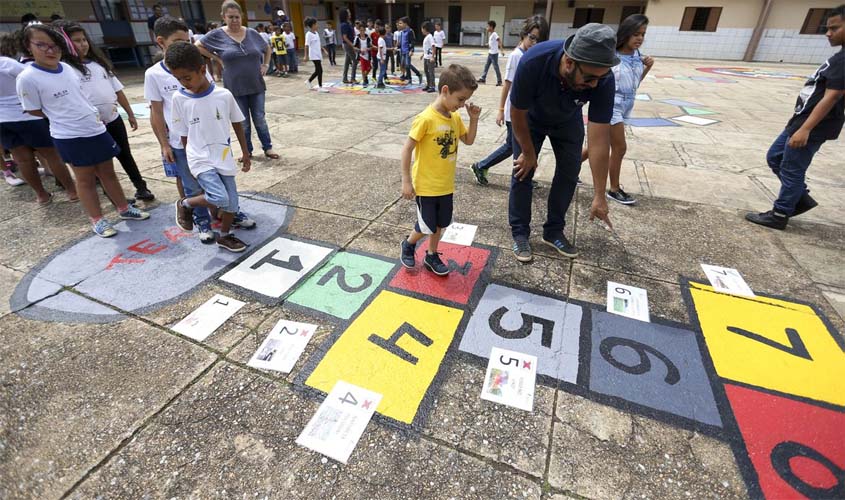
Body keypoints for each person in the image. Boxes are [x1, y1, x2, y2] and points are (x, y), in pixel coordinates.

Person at [17, 24, 149, 237]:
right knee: (85, 179)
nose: (50, 50)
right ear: (28, 46)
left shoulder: (67, 68)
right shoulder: (27, 77)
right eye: (41, 45)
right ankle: (97, 220)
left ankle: (124, 209)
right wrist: (65, 118)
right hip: (69, 135)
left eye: (54, 46)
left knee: (109, 173)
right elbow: (33, 109)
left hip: (96, 128)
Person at [508, 23, 617, 262]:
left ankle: (553, 231)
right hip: (531, 120)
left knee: (569, 173)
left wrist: (600, 194)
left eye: (600, 78)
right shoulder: (534, 62)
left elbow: (599, 140)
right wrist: (528, 152)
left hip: (568, 120)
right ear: (569, 63)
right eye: (589, 79)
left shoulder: (602, 78)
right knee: (522, 171)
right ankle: (520, 233)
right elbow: (516, 113)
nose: (594, 86)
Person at [746, 5, 844, 230]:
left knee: (792, 168)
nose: (828, 33)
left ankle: (780, 213)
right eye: (827, 28)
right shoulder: (840, 57)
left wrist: (806, 129)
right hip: (800, 121)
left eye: (835, 28)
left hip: (812, 125)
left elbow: (833, 96)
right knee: (775, 157)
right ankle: (799, 197)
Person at [167, 42, 252, 252]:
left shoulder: (223, 95)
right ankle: (186, 203)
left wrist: (245, 151)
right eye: (178, 79)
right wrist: (189, 163)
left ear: (202, 70)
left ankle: (224, 236)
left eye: (187, 77)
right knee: (220, 197)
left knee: (232, 203)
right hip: (199, 157)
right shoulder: (179, 98)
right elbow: (184, 136)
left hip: (222, 154)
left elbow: (238, 123)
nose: (183, 83)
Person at [58, 20, 156, 202]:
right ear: (67, 44)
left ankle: (141, 187)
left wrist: (130, 113)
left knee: (125, 154)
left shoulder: (99, 65)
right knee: (103, 164)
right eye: (77, 41)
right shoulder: (66, 70)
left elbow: (117, 90)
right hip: (92, 126)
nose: (83, 44)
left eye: (84, 40)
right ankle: (113, 195)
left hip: (113, 119)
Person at [399, 64, 480, 275]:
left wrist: (473, 119)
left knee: (440, 224)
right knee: (426, 225)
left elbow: (468, 140)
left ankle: (431, 254)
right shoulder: (426, 119)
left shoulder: (454, 118)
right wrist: (406, 180)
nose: (462, 104)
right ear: (445, 91)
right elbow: (407, 149)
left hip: (446, 185)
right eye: (460, 99)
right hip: (425, 185)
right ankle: (408, 244)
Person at [145, 16, 216, 242]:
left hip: (208, 138)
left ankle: (226, 213)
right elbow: (156, 112)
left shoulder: (200, 66)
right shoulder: (154, 74)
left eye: (187, 40)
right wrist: (164, 144)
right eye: (177, 41)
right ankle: (202, 221)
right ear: (161, 42)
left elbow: (213, 99)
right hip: (180, 142)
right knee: (190, 183)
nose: (184, 45)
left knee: (217, 179)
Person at [579, 14, 654, 206]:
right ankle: (613, 188)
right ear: (626, 33)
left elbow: (634, 84)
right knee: (619, 147)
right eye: (636, 34)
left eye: (643, 34)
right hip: (612, 104)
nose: (639, 38)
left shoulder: (638, 56)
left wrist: (647, 68)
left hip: (627, 104)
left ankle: (567, 169)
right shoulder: (612, 57)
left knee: (597, 147)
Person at [471, 16, 549, 186]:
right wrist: (500, 110)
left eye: (539, 40)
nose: (534, 42)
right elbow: (507, 84)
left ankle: (482, 166)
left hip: (526, 111)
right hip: (514, 112)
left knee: (513, 146)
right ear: (524, 35)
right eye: (532, 37)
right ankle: (519, 178)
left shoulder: (531, 54)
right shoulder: (517, 56)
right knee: (518, 148)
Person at [196, 1, 279, 160]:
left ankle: (268, 147)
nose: (234, 20)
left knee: (259, 119)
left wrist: (266, 64)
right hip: (234, 87)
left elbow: (267, 48)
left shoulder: (252, 33)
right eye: (230, 17)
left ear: (242, 16)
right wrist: (216, 58)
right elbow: (197, 45)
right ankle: (246, 151)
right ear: (223, 17)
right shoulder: (217, 35)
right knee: (243, 123)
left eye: (237, 17)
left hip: (256, 84)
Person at [0, 32, 77, 203]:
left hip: (3, 120)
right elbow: (33, 76)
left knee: (22, 159)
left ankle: (41, 195)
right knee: (52, 155)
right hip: (27, 115)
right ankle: (71, 190)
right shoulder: (8, 64)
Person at [304, 17, 328, 90]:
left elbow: (318, 43)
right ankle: (320, 87)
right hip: (313, 55)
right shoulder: (308, 34)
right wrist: (306, 56)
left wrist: (324, 50)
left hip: (318, 54)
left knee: (318, 71)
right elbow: (306, 45)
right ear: (313, 25)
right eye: (316, 24)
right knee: (320, 70)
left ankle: (308, 81)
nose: (317, 25)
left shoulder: (316, 33)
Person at [477, 20, 502, 85]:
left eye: (488, 26)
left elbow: (499, 41)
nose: (487, 28)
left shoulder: (494, 34)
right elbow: (493, 42)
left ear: (491, 27)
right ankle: (483, 78)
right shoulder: (491, 35)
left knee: (496, 67)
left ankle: (499, 81)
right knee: (486, 66)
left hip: (494, 54)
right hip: (490, 53)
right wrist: (488, 44)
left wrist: (502, 50)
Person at [398, 17, 421, 85]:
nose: (399, 25)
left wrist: (412, 50)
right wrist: (397, 47)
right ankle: (407, 76)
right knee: (403, 65)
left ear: (405, 24)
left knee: (407, 65)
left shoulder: (410, 31)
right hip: (402, 52)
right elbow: (401, 42)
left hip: (408, 51)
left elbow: (412, 41)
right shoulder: (402, 32)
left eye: (401, 23)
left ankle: (413, 77)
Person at [340, 8, 358, 83]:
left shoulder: (348, 23)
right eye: (348, 12)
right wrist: (352, 45)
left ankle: (344, 78)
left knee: (347, 62)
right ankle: (352, 78)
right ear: (345, 15)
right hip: (347, 45)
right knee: (355, 60)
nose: (350, 14)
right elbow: (344, 37)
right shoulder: (344, 25)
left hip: (349, 44)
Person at [421, 21, 436, 93]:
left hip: (430, 58)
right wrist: (423, 54)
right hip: (426, 57)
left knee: (431, 72)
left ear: (424, 29)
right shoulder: (427, 37)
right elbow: (427, 47)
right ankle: (428, 85)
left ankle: (432, 86)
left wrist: (433, 57)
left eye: (422, 28)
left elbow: (433, 46)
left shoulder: (430, 37)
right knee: (426, 72)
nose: (421, 30)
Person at [376, 24, 388, 89]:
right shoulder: (381, 40)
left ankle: (381, 82)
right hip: (381, 57)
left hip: (382, 57)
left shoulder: (381, 39)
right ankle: (379, 82)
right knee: (383, 70)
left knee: (382, 70)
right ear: (384, 33)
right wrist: (382, 59)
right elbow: (380, 49)